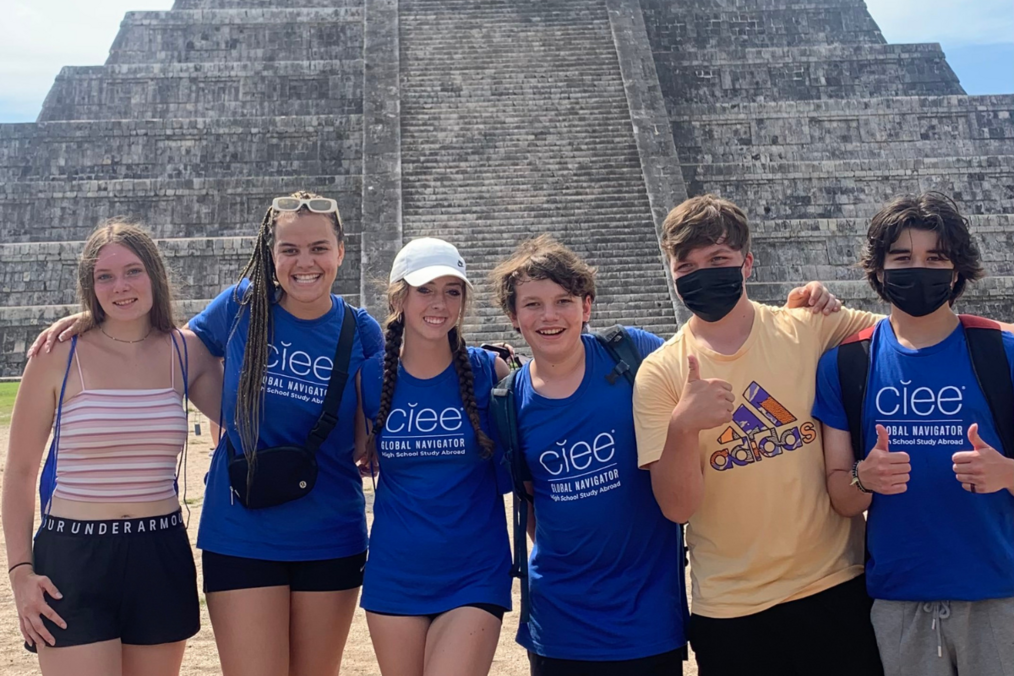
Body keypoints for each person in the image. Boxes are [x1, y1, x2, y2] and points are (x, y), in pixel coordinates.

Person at [29, 192, 383, 676]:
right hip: (241, 532)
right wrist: (94, 321)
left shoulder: (361, 332)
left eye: (319, 247)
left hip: (330, 533)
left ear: (341, 251)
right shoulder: (240, 306)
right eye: (290, 249)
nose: (305, 261)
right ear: (270, 253)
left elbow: (377, 425)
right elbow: (169, 347)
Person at [487, 234, 841, 676]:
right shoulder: (507, 402)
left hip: (648, 619)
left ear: (587, 307)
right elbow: (534, 501)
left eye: (563, 300)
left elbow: (719, 352)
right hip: (559, 624)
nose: (550, 316)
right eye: (533, 304)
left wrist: (792, 320)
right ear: (513, 318)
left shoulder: (636, 356)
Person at [631, 194, 886, 676]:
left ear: (747, 263)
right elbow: (677, 509)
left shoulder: (806, 327)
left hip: (834, 584)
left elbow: (914, 336)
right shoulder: (660, 373)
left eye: (718, 260)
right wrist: (683, 426)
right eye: (686, 265)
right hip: (731, 607)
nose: (702, 273)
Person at [3, 220, 223, 676]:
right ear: (90, 285)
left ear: (155, 277)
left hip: (159, 552)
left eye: (133, 271)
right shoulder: (57, 355)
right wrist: (20, 571)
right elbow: (21, 471)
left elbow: (248, 417)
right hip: (73, 559)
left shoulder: (188, 353)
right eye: (105, 276)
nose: (120, 286)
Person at [812, 192, 1014, 676]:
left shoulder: (1002, 352)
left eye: (935, 258)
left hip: (998, 593)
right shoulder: (845, 363)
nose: (917, 269)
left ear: (957, 270)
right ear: (879, 271)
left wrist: (1006, 471)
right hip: (900, 601)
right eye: (902, 258)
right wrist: (865, 477)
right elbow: (842, 496)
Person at [359, 237, 512, 676]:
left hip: (474, 571)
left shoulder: (490, 371)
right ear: (398, 296)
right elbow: (353, 457)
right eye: (425, 289)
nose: (439, 302)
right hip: (395, 572)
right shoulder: (368, 379)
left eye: (452, 290)